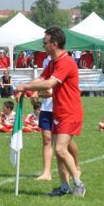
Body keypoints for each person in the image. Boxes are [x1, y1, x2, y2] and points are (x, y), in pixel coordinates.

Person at [16, 27, 85, 196]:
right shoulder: (53, 62)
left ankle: (78, 182)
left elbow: (49, 84)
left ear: (54, 44)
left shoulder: (66, 62)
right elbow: (41, 79)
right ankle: (64, 186)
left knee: (61, 149)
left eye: (45, 43)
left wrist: (25, 87)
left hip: (70, 112)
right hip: (59, 111)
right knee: (59, 151)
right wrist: (23, 89)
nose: (43, 45)